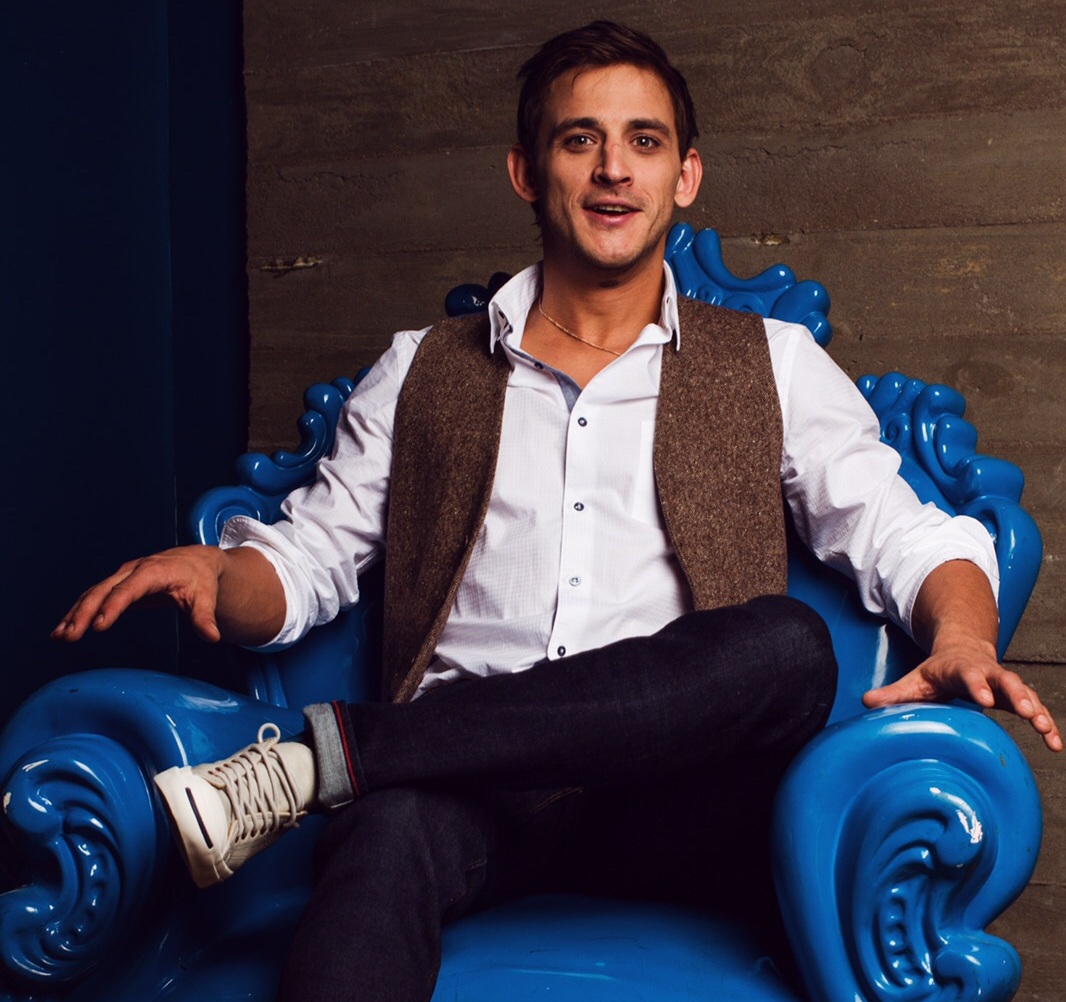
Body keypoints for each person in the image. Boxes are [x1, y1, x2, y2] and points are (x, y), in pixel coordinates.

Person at [54, 20, 1060, 1002]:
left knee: (788, 648)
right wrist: (223, 576)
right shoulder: (420, 371)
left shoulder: (773, 365)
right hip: (467, 797)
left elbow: (905, 537)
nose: (613, 169)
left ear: (685, 175)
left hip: (682, 803)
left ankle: (333, 756)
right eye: (581, 140)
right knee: (385, 836)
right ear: (526, 172)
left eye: (644, 142)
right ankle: (360, 765)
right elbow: (308, 562)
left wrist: (963, 635)